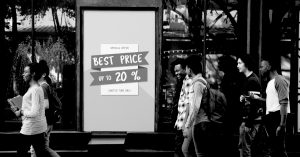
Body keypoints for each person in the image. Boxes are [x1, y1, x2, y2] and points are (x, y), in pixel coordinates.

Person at [11, 62, 58, 157]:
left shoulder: (36, 89)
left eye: (25, 72)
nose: (23, 74)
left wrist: (20, 112)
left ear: (33, 74)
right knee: (40, 152)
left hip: (30, 129)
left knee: (24, 152)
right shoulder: (34, 88)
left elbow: (34, 112)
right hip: (35, 128)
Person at [252, 58, 290, 157]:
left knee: (278, 150)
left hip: (276, 118)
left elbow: (284, 103)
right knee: (273, 149)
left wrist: (282, 125)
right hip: (271, 118)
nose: (260, 69)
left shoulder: (279, 80)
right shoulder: (270, 83)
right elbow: (273, 101)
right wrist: (257, 98)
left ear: (269, 67)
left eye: (262, 67)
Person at [237, 54, 270, 157]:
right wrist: (244, 97)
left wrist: (248, 124)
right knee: (243, 149)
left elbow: (255, 103)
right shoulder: (250, 79)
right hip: (249, 120)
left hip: (250, 121)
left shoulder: (252, 80)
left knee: (245, 150)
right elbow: (252, 99)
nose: (237, 65)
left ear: (246, 64)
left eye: (239, 63)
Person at [30, 60, 60, 157]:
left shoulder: (42, 87)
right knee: (42, 148)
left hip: (44, 122)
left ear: (43, 74)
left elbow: (46, 105)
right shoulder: (46, 86)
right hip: (47, 122)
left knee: (35, 149)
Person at [183, 55, 208, 157]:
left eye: (186, 68)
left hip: (200, 123)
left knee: (199, 154)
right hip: (199, 122)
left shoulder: (198, 84)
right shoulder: (199, 82)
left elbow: (195, 107)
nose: (185, 70)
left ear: (190, 68)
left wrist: (187, 125)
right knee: (189, 150)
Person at [173, 59, 194, 157]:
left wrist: (185, 125)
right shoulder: (181, 83)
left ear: (185, 69)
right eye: (175, 71)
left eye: (178, 70)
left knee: (182, 151)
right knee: (180, 151)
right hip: (180, 123)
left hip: (184, 124)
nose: (176, 73)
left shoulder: (188, 81)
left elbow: (189, 105)